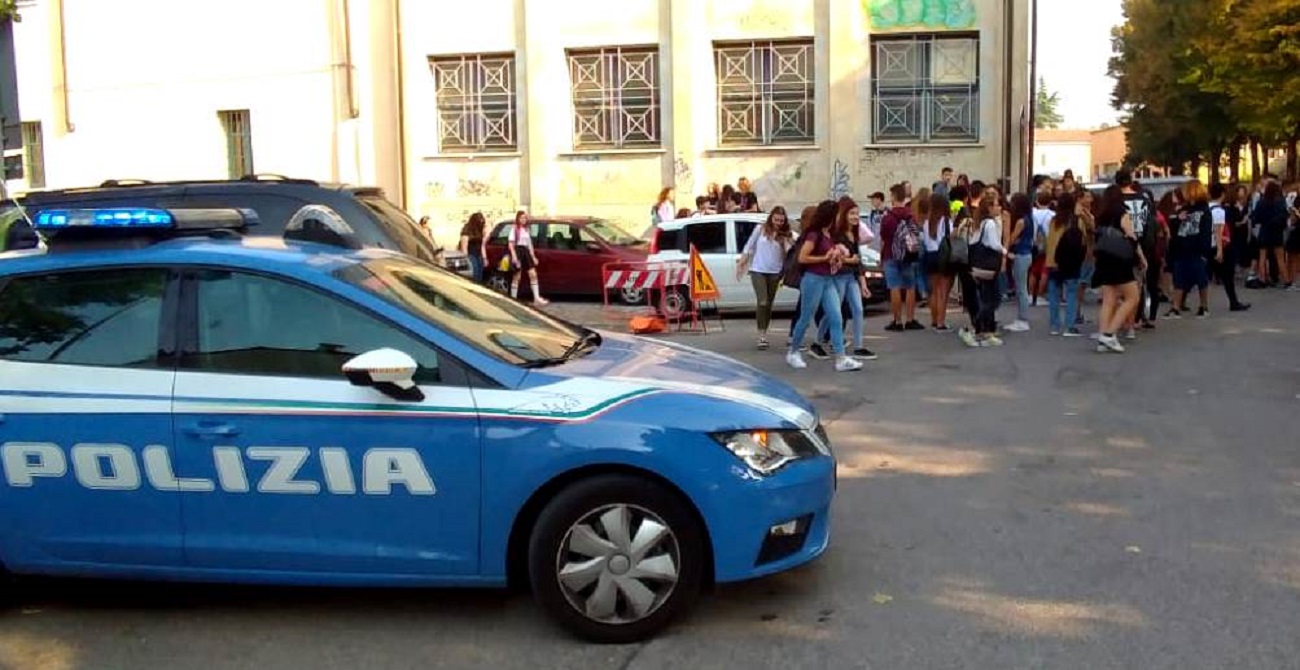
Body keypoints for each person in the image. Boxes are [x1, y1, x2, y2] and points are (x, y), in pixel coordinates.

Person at [786, 200, 863, 372]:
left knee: (836, 317)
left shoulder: (828, 234)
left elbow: (828, 255)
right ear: (829, 216)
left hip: (827, 279)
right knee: (806, 317)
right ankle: (793, 352)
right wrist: (825, 258)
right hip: (813, 279)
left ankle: (841, 358)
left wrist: (836, 256)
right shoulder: (814, 234)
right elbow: (803, 258)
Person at [812, 197, 876, 361]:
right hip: (838, 277)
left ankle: (858, 347)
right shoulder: (836, 234)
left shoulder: (854, 233)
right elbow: (833, 257)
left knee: (858, 309)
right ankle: (817, 342)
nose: (855, 217)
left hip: (851, 277)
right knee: (834, 311)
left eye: (857, 214)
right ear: (844, 214)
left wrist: (863, 283)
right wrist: (849, 260)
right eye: (852, 213)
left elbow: (857, 259)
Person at [1093, 185, 1148, 353]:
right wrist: (1141, 257)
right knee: (1133, 297)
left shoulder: (1100, 215)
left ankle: (1103, 337)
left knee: (1109, 299)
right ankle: (1110, 333)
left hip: (1103, 258)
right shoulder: (1122, 212)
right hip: (1120, 258)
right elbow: (1131, 236)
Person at [737, 206, 794, 350]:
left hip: (775, 272)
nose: (778, 223)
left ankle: (764, 334)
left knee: (768, 304)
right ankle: (760, 335)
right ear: (771, 218)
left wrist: (788, 242)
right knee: (762, 301)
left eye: (781, 220)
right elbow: (749, 246)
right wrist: (741, 263)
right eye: (776, 219)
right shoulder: (760, 229)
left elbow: (794, 247)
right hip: (758, 270)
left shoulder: (786, 234)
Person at [879, 184, 924, 331]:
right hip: (909, 255)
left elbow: (884, 238)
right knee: (910, 287)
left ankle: (897, 321)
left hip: (891, 255)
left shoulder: (887, 217)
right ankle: (910, 319)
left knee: (895, 287)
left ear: (892, 197)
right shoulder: (911, 214)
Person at [1166, 180, 1213, 319]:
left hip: (1197, 250)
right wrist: (1176, 219)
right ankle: (1175, 307)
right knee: (1179, 279)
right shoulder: (1183, 209)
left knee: (1201, 279)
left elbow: (1205, 231)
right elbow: (1173, 228)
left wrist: (1205, 251)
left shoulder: (1204, 210)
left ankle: (1203, 306)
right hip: (1181, 249)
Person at [968, 193, 1008, 347]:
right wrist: (1006, 252)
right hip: (988, 267)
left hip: (978, 266)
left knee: (986, 297)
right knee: (993, 300)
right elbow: (994, 244)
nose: (999, 207)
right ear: (990, 207)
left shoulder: (981, 223)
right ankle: (980, 327)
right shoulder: (990, 224)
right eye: (997, 204)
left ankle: (985, 330)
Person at [1046, 192, 1085, 337]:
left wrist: (1050, 260)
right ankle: (1070, 326)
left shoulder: (1053, 221)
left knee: (1054, 295)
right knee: (1071, 293)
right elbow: (1083, 241)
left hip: (1053, 261)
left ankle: (1054, 326)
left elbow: (1049, 241)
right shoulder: (1076, 221)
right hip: (1071, 262)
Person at [1208, 183, 1250, 311]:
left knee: (1203, 275)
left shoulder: (1206, 208)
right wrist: (1221, 250)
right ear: (1222, 194)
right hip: (1220, 245)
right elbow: (1219, 231)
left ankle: (1180, 301)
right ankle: (1233, 302)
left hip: (1207, 245)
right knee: (1227, 276)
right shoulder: (1220, 211)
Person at [922, 191, 955, 331]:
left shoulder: (926, 221)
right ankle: (941, 322)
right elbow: (951, 238)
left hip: (930, 256)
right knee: (943, 291)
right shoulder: (946, 221)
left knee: (933, 290)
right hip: (943, 256)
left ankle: (934, 319)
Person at [1004, 193, 1035, 332]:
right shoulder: (1029, 219)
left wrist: (1009, 240)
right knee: (1022, 288)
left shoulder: (1020, 221)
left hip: (1020, 255)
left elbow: (1011, 239)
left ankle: (1023, 320)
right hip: (1027, 254)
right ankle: (1021, 318)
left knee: (1021, 289)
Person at [1254, 181, 1292, 289]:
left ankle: (1262, 279)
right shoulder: (1280, 202)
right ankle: (1286, 280)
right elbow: (1284, 215)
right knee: (1280, 257)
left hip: (1265, 231)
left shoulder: (1261, 202)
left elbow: (1256, 217)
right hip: (1276, 232)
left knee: (1262, 256)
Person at [507, 210, 547, 306]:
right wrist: (514, 257)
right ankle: (513, 300)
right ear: (517, 218)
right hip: (518, 251)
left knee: (533, 274)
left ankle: (536, 298)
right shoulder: (514, 229)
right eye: (521, 218)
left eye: (525, 218)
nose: (523, 220)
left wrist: (533, 256)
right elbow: (511, 244)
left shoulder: (527, 229)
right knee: (517, 276)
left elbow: (529, 244)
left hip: (525, 251)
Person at [458, 212, 488, 283]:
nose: (481, 223)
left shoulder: (480, 230)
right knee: (475, 272)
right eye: (480, 221)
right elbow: (464, 247)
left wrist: (485, 258)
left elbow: (482, 245)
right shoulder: (467, 229)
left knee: (480, 274)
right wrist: (465, 258)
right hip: (470, 254)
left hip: (479, 254)